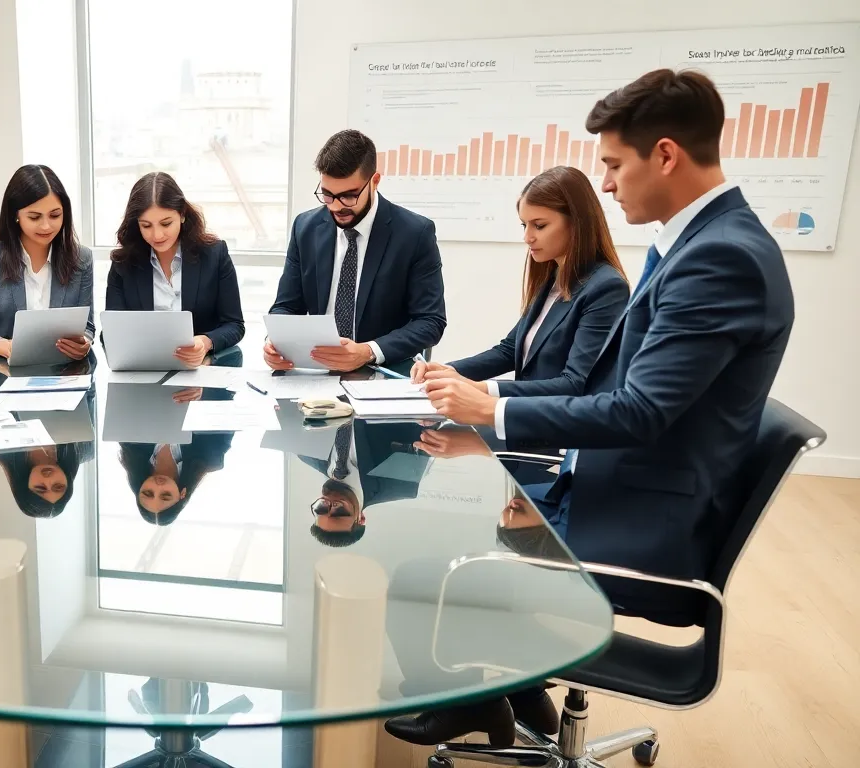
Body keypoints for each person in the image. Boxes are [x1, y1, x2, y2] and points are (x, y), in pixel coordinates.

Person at [397, 68, 795, 746]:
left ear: (664, 154)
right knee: (440, 528)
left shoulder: (720, 256)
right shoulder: (699, 243)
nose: (605, 183)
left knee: (413, 568)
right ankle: (510, 699)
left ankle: (482, 702)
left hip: (642, 537)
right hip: (613, 493)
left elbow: (636, 410)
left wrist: (491, 413)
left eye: (614, 164)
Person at [412, 166, 629, 397]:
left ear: (577, 222)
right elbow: (509, 350)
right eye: (524, 225)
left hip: (562, 428)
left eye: (540, 225)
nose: (528, 238)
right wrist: (447, 370)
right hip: (529, 423)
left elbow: (574, 383)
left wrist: (480, 390)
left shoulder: (606, 288)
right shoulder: (553, 276)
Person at [266, 129, 446, 372]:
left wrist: (368, 351)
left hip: (382, 372)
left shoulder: (414, 233)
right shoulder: (305, 227)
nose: (337, 207)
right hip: (315, 371)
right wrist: (275, 342)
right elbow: (287, 305)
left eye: (349, 196)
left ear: (374, 181)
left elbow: (430, 321)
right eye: (328, 195)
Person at [105, 171, 246, 366]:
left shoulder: (214, 254)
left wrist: (205, 343)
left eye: (166, 223)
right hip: (143, 372)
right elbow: (111, 332)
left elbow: (234, 325)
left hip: (202, 374)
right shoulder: (123, 263)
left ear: (182, 214)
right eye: (146, 226)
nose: (157, 235)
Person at [0, 165, 95, 361]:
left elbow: (87, 326)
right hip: (4, 374)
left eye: (55, 215)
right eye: (34, 217)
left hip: (64, 373)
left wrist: (84, 342)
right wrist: (6, 347)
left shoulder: (81, 258)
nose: (46, 226)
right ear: (15, 214)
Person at [298, 419, 430, 547]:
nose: (330, 503)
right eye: (340, 512)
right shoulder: (401, 483)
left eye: (320, 509)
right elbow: (430, 429)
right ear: (360, 519)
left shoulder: (304, 452)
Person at [0, 443, 95, 518]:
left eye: (40, 487)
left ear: (24, 486)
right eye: (58, 486)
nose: (48, 479)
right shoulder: (87, 448)